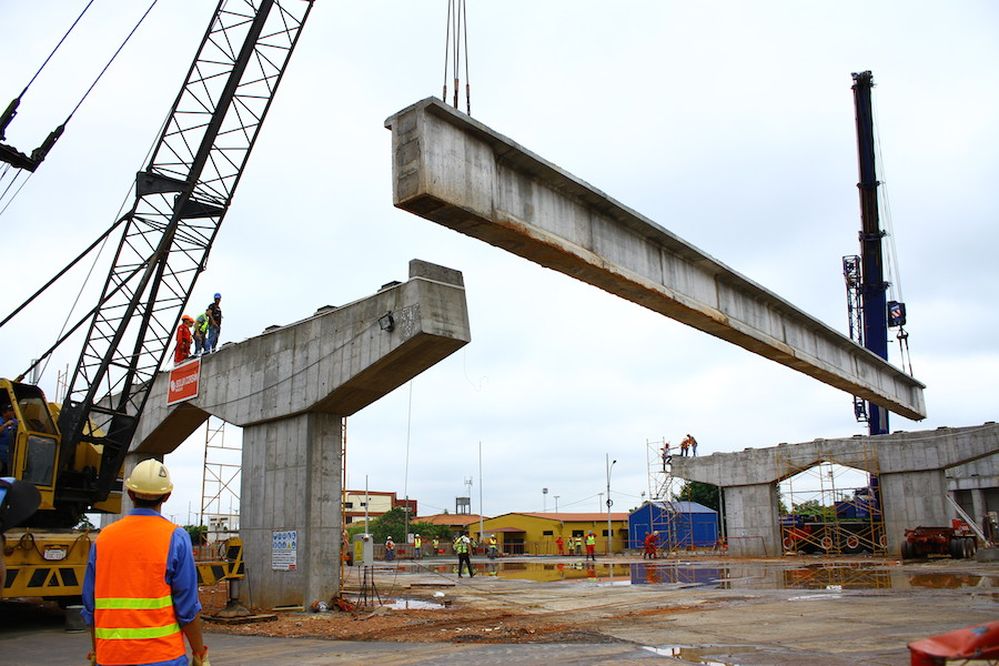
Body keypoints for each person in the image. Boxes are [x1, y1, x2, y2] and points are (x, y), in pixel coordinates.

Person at [81, 459, 210, 666]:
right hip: (162, 656)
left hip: (111, 657)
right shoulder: (175, 537)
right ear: (167, 496)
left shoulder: (104, 538)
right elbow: (187, 607)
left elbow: (91, 605)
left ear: (130, 494)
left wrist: (98, 653)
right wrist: (199, 653)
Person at [0, 405, 17, 475]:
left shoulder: (15, 422)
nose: (13, 412)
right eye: (10, 411)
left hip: (11, 455)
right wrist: (5, 425)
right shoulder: (1, 421)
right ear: (4, 413)